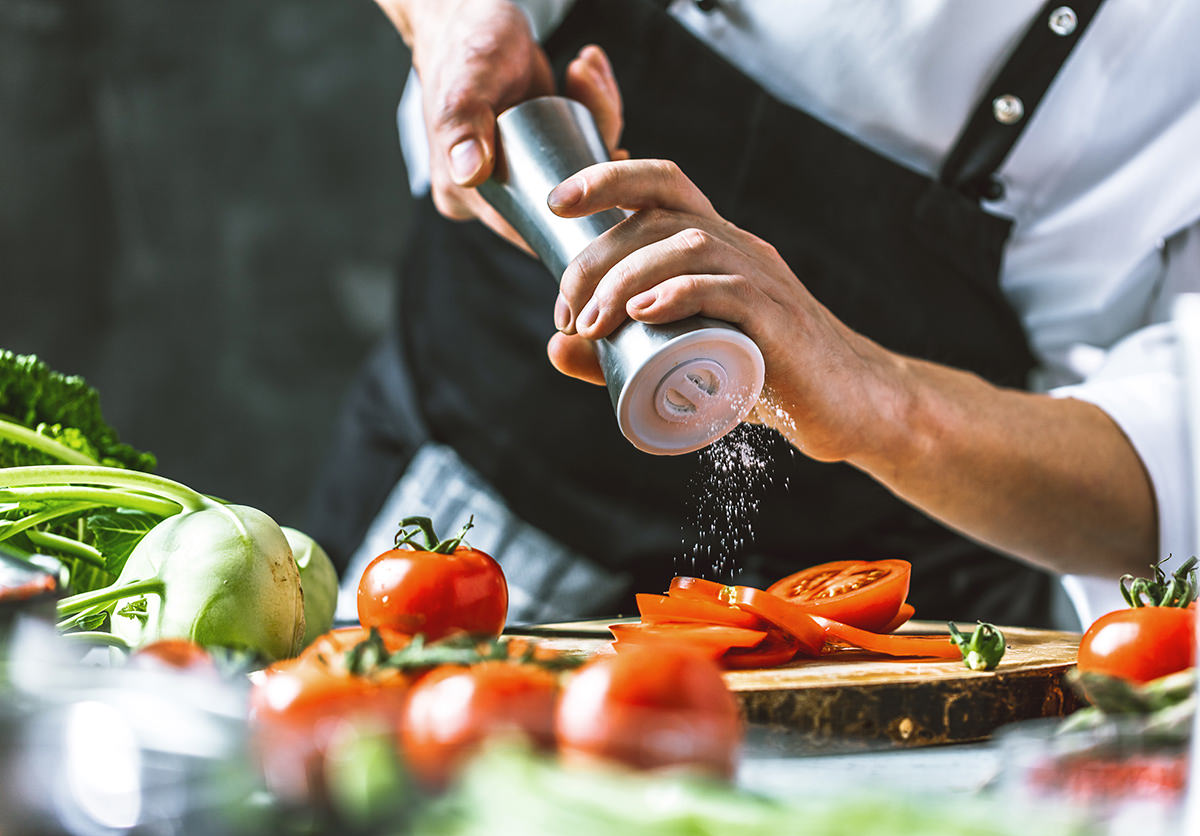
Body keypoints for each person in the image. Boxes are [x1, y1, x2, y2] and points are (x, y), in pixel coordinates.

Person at [307, 0, 1200, 629]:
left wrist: (878, 398)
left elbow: (1167, 482)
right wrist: (456, 21)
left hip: (847, 616)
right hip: (474, 502)